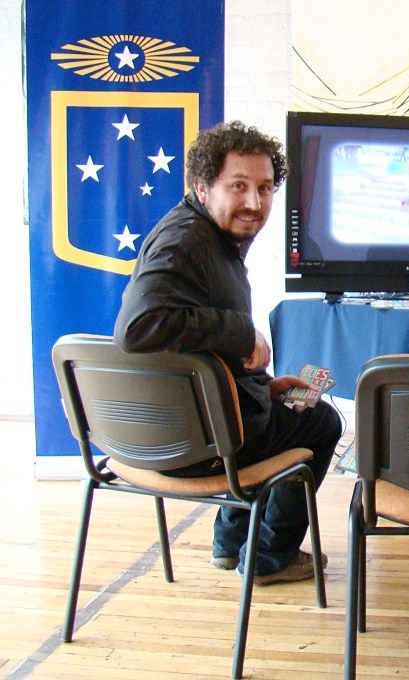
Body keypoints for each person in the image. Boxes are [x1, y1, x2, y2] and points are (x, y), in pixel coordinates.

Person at [114, 121, 342, 585]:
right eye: (238, 186)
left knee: (277, 411)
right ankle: (268, 557)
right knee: (321, 422)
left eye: (264, 188)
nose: (254, 203)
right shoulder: (185, 241)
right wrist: (243, 333)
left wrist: (265, 386)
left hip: (184, 431)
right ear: (202, 187)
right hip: (194, 446)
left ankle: (231, 544)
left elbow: (194, 346)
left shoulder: (206, 237)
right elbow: (138, 328)